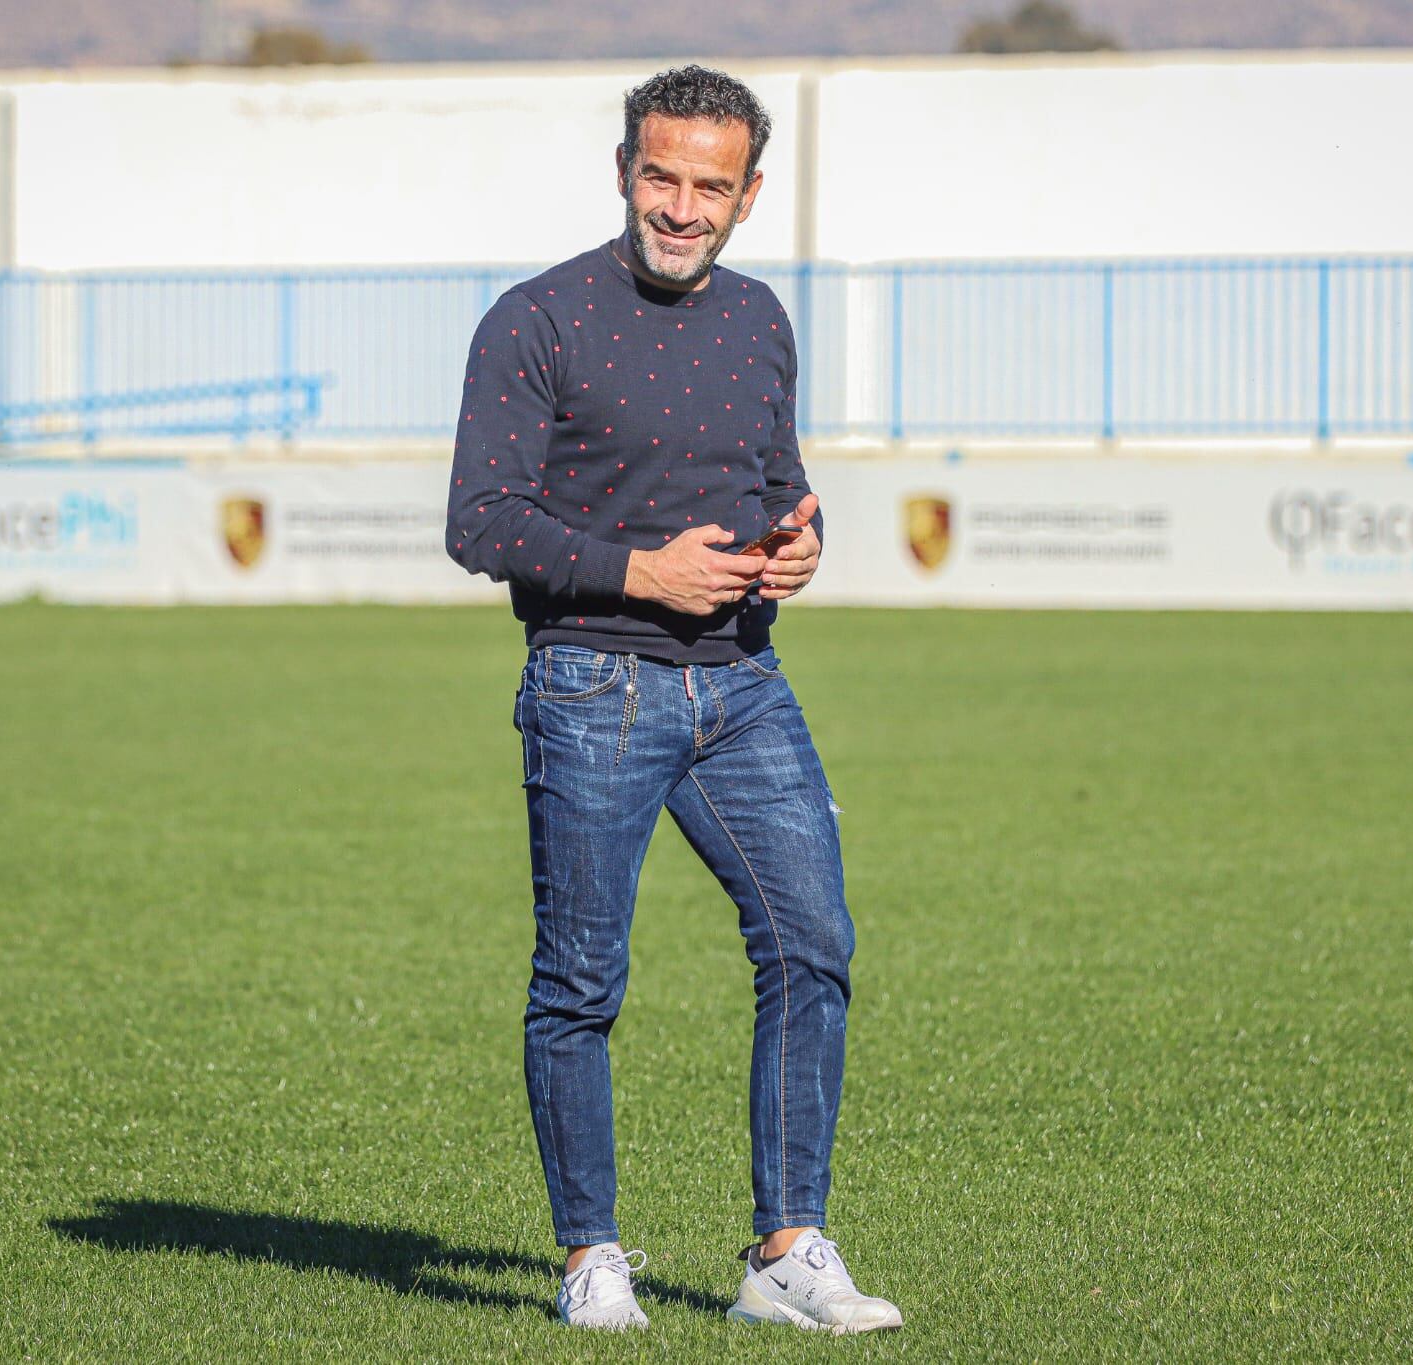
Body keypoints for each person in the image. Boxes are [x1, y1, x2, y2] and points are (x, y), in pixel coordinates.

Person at [443, 64, 902, 1336]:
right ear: (622, 173)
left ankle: (785, 1253)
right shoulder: (533, 320)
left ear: (749, 195)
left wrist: (797, 543)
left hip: (743, 685)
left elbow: (775, 479)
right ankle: (591, 1257)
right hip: (592, 686)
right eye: (661, 175)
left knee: (813, 947)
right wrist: (637, 568)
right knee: (581, 983)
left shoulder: (760, 319)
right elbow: (477, 519)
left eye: (710, 184)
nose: (681, 205)